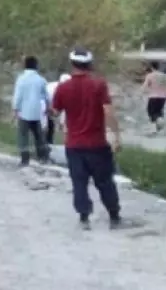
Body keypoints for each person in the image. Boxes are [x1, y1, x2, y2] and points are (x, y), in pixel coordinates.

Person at [50, 48, 123, 229]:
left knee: (79, 182)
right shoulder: (99, 85)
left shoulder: (63, 88)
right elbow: (108, 112)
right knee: (105, 181)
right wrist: (116, 136)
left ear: (72, 64)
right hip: (97, 144)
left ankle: (84, 218)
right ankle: (114, 216)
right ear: (90, 64)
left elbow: (55, 112)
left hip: (74, 145)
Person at [13, 56, 50, 166]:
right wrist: (47, 107)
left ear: (25, 65)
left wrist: (15, 108)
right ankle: (42, 157)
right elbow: (46, 96)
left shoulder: (21, 79)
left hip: (24, 112)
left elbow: (18, 96)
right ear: (36, 66)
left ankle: (25, 159)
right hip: (36, 112)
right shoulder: (41, 79)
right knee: (39, 135)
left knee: (23, 135)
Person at [142, 61, 166, 134]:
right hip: (163, 97)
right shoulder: (164, 75)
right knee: (159, 111)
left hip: (153, 96)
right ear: (158, 67)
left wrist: (142, 91)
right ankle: (159, 122)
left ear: (151, 67)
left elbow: (145, 86)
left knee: (151, 112)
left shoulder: (150, 75)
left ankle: (154, 128)